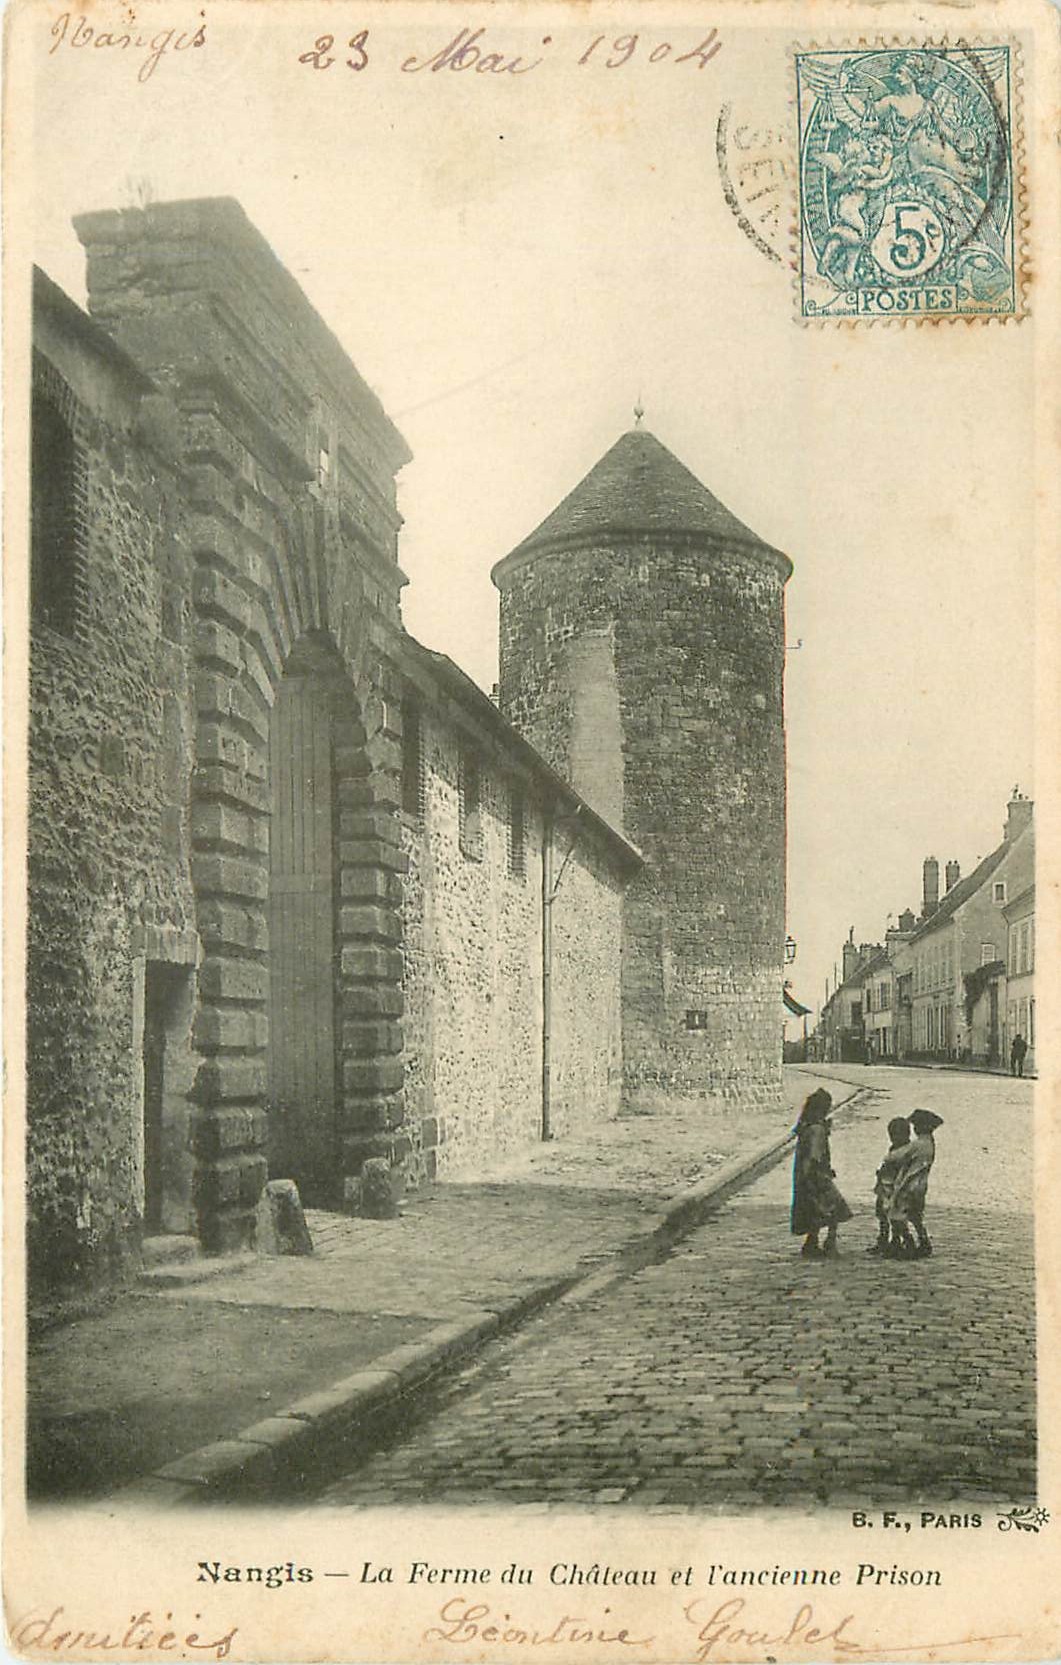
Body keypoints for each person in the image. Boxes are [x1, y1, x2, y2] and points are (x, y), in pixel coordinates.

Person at [791, 1088, 852, 1258]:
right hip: (816, 1176)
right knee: (835, 1209)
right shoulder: (817, 1129)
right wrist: (821, 1172)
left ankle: (811, 1242)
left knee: (815, 1210)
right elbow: (814, 1156)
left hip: (806, 1176)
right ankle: (829, 1243)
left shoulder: (806, 1127)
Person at [887, 1108, 943, 1258]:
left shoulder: (918, 1144)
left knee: (896, 1214)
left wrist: (890, 1156)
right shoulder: (930, 1144)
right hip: (921, 1185)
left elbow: (896, 1156)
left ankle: (908, 1243)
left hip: (909, 1185)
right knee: (916, 1215)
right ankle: (924, 1241)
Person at [867, 1116, 911, 1255]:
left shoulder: (907, 1151)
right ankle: (884, 1240)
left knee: (895, 1216)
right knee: (882, 1214)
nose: (894, 1138)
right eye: (892, 1135)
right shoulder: (895, 1148)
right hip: (885, 1187)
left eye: (897, 1134)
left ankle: (897, 1241)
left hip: (895, 1188)